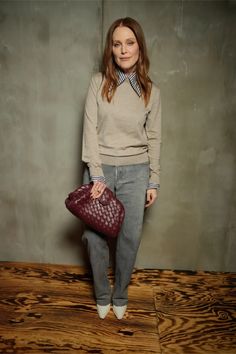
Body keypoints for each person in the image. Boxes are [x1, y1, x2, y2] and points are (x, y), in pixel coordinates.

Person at [81, 17, 161, 320]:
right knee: (93, 236)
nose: (123, 50)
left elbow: (154, 137)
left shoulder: (152, 91)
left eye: (130, 42)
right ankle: (102, 294)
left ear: (139, 46)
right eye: (117, 44)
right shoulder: (97, 82)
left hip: (136, 170)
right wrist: (96, 173)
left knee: (130, 236)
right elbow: (89, 128)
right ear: (110, 49)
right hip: (100, 169)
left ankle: (120, 294)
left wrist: (154, 180)